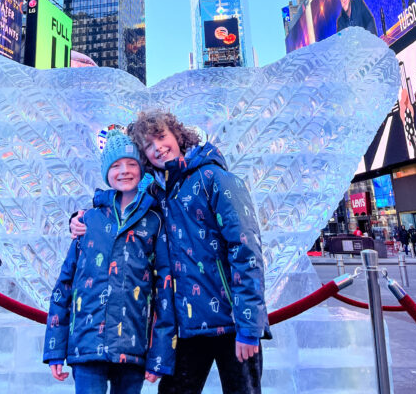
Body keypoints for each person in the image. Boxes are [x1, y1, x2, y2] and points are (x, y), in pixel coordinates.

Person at [72, 111, 270, 394]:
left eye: (161, 137)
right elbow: (119, 195)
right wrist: (80, 216)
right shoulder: (158, 191)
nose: (158, 147)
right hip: (187, 326)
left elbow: (246, 250)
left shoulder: (216, 178)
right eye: (148, 146)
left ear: (179, 136)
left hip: (232, 322)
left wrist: (250, 326)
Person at [43, 129, 175, 394]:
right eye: (116, 165)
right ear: (106, 172)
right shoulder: (88, 220)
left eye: (131, 164)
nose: (124, 171)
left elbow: (164, 290)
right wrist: (56, 348)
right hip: (87, 345)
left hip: (133, 346)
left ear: (141, 169)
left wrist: (160, 354)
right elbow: (64, 286)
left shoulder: (154, 221)